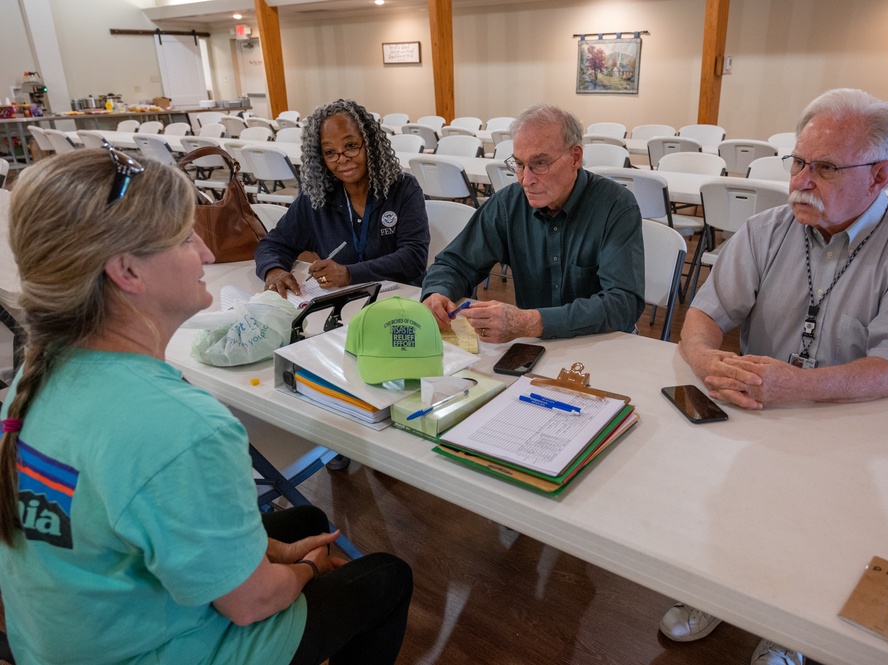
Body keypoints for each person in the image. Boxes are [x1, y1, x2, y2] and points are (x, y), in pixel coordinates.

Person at [0, 149, 413, 665]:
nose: (206, 252)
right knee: (386, 578)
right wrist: (305, 570)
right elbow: (251, 603)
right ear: (127, 270)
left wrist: (277, 557)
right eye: (183, 236)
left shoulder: (36, 376)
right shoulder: (181, 426)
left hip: (68, 639)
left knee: (304, 517)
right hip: (160, 650)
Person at [661, 89, 888, 664]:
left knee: (828, 533)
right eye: (798, 162)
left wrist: (798, 385)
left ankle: (789, 629)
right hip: (761, 412)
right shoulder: (767, 228)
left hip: (858, 425)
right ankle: (717, 587)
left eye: (823, 168)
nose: (800, 181)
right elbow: (703, 315)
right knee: (733, 509)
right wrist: (703, 358)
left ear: (879, 175)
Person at [421, 103, 645, 343]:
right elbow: (455, 263)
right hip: (535, 344)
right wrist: (437, 293)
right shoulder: (509, 204)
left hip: (602, 343)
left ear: (575, 157)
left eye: (540, 164)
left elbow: (623, 302)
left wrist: (531, 322)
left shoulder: (615, 205)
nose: (526, 180)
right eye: (519, 164)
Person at [256, 99, 430, 295]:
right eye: (330, 152)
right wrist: (274, 270)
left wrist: (349, 273)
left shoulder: (403, 188)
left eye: (351, 145)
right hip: (343, 302)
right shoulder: (316, 195)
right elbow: (273, 244)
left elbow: (414, 258)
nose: (342, 158)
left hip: (401, 298)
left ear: (370, 144)